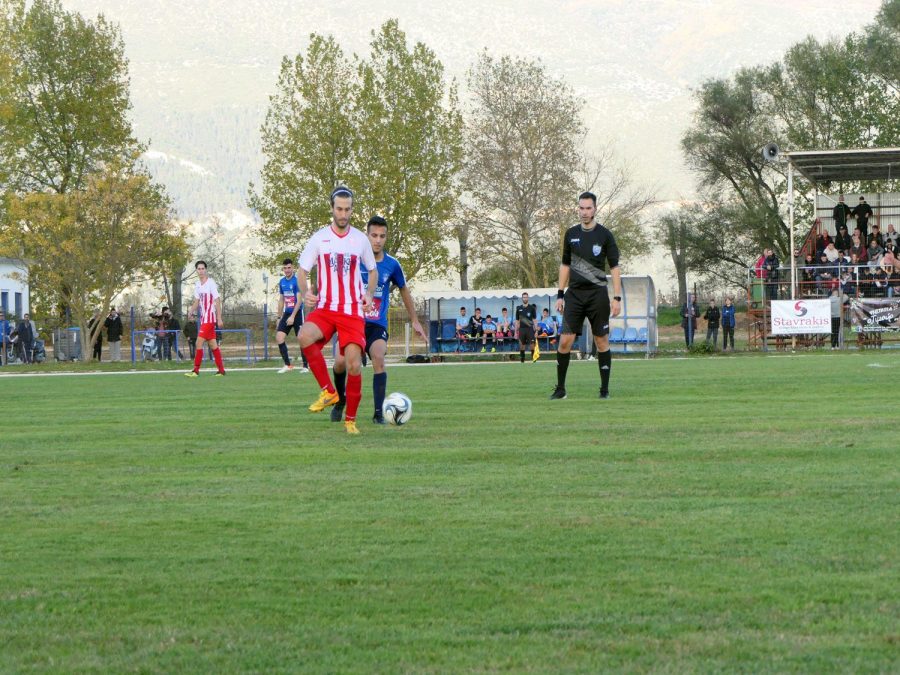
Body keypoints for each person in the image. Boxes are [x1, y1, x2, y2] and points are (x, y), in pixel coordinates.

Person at [330, 214, 427, 425]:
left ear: (386, 237)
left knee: (379, 358)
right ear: (367, 235)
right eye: (374, 235)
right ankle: (340, 401)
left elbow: (403, 289)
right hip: (351, 322)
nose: (378, 240)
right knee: (339, 363)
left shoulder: (392, 264)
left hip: (376, 325)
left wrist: (415, 320)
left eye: (382, 236)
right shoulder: (353, 259)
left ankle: (378, 413)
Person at [296, 186, 377, 435]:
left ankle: (350, 420)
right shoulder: (319, 238)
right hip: (326, 307)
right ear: (332, 209)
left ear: (352, 210)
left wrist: (369, 294)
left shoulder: (360, 240)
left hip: (352, 310)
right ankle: (329, 392)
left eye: (347, 209)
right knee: (303, 336)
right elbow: (302, 272)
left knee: (353, 365)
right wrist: (305, 292)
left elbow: (372, 271)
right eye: (339, 209)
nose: (343, 213)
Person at [550, 191, 622, 400]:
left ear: (595, 209)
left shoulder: (605, 235)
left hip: (597, 295)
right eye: (581, 208)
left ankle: (604, 391)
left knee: (601, 341)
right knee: (565, 341)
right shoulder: (570, 234)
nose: (584, 212)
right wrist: (560, 294)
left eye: (588, 208)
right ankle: (561, 389)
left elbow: (615, 268)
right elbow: (565, 265)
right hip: (574, 295)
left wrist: (616, 298)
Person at [184, 260, 226, 377]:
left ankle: (196, 371)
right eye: (199, 269)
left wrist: (219, 318)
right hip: (203, 319)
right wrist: (191, 311)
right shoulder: (197, 284)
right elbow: (197, 301)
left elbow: (217, 301)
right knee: (213, 345)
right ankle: (221, 371)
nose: (201, 271)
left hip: (210, 318)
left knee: (198, 342)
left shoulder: (211, 283)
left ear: (206, 270)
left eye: (203, 268)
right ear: (196, 270)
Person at [274, 258, 309, 374]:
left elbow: (299, 301)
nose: (287, 270)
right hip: (287, 313)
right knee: (279, 337)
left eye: (289, 267)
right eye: (285, 268)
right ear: (283, 269)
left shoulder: (297, 281)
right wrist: (279, 317)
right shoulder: (282, 282)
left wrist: (293, 316)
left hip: (297, 313)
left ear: (292, 268)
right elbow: (281, 300)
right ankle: (287, 365)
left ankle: (305, 366)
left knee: (301, 339)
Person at [515, 291, 539, 363]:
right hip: (522, 329)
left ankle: (534, 360)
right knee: (522, 345)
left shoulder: (532, 308)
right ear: (522, 298)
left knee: (532, 345)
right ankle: (522, 360)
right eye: (524, 297)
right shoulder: (518, 308)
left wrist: (536, 331)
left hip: (530, 329)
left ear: (528, 298)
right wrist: (515, 332)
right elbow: (517, 321)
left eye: (526, 297)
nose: (525, 298)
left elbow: (534, 320)